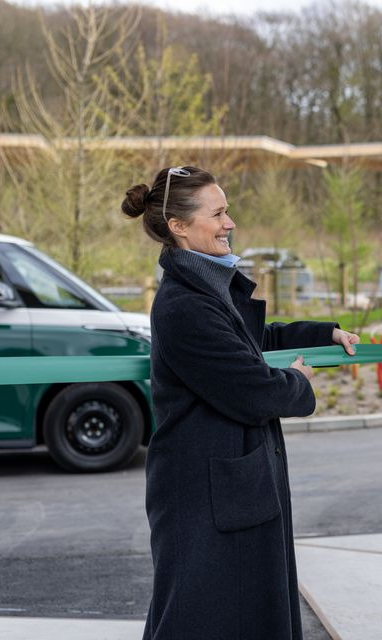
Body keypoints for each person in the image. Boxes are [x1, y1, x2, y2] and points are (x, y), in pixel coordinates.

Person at [122, 165, 359, 640]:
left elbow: (251, 339)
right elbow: (255, 389)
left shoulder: (205, 289)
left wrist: (322, 334)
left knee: (234, 615)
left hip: (228, 489)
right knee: (199, 618)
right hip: (204, 497)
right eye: (219, 213)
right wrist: (297, 381)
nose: (230, 222)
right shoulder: (184, 305)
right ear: (180, 226)